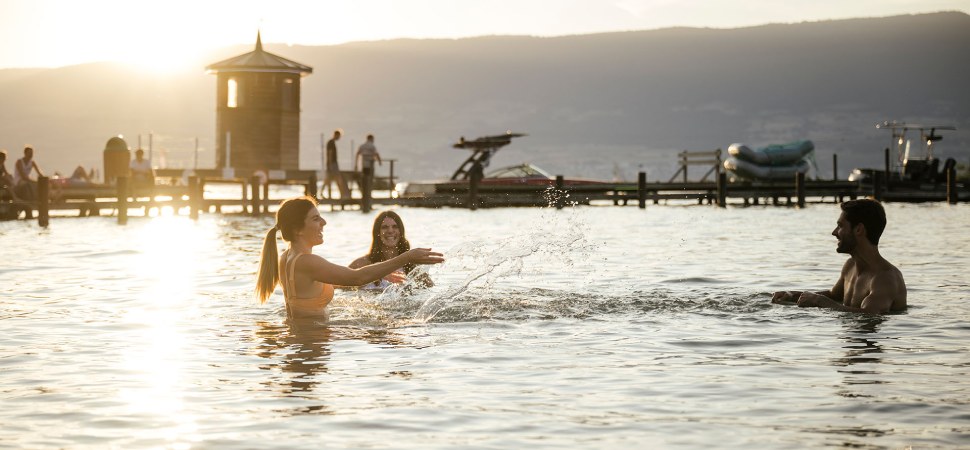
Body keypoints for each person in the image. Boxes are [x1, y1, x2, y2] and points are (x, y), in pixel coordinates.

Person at [255, 196, 444, 319]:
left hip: (306, 340)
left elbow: (348, 276)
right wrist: (406, 257)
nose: (324, 222)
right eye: (315, 219)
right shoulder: (307, 262)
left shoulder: (288, 257)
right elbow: (356, 277)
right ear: (297, 229)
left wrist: (379, 273)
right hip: (312, 344)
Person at [771, 199, 907, 314]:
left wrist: (819, 301)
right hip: (849, 342)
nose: (834, 232)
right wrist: (792, 295)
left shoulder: (885, 278)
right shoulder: (850, 266)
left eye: (840, 226)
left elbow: (870, 315)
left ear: (859, 229)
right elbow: (834, 296)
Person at [349, 210, 433, 289]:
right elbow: (338, 286)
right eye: (384, 227)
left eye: (395, 226)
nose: (390, 231)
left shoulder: (412, 267)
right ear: (377, 233)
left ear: (401, 232)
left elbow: (430, 292)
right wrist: (374, 275)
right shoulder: (361, 264)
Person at [321, 129, 348, 199]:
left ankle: (322, 192)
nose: (339, 138)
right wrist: (330, 164)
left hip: (331, 164)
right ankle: (342, 195)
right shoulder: (331, 143)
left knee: (328, 179)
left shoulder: (331, 142)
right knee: (338, 179)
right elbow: (330, 153)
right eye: (339, 136)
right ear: (336, 135)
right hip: (333, 164)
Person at [355, 134, 382, 198]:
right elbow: (376, 154)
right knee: (370, 181)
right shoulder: (372, 146)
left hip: (364, 166)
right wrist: (379, 161)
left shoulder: (362, 146)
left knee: (364, 180)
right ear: (371, 139)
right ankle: (368, 195)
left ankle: (364, 194)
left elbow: (357, 154)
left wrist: (356, 164)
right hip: (370, 166)